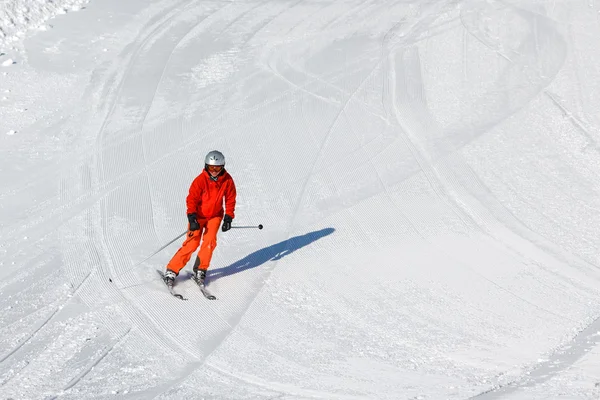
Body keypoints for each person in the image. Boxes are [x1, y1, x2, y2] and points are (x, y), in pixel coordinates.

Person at [163, 150, 236, 288]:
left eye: (217, 168)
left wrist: (228, 218)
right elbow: (192, 199)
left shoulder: (227, 180)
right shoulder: (200, 180)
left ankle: (200, 270)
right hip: (198, 216)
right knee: (192, 243)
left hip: (214, 216)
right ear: (206, 166)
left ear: (223, 167)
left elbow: (231, 199)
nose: (214, 171)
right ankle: (172, 270)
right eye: (211, 167)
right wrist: (192, 217)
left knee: (209, 242)